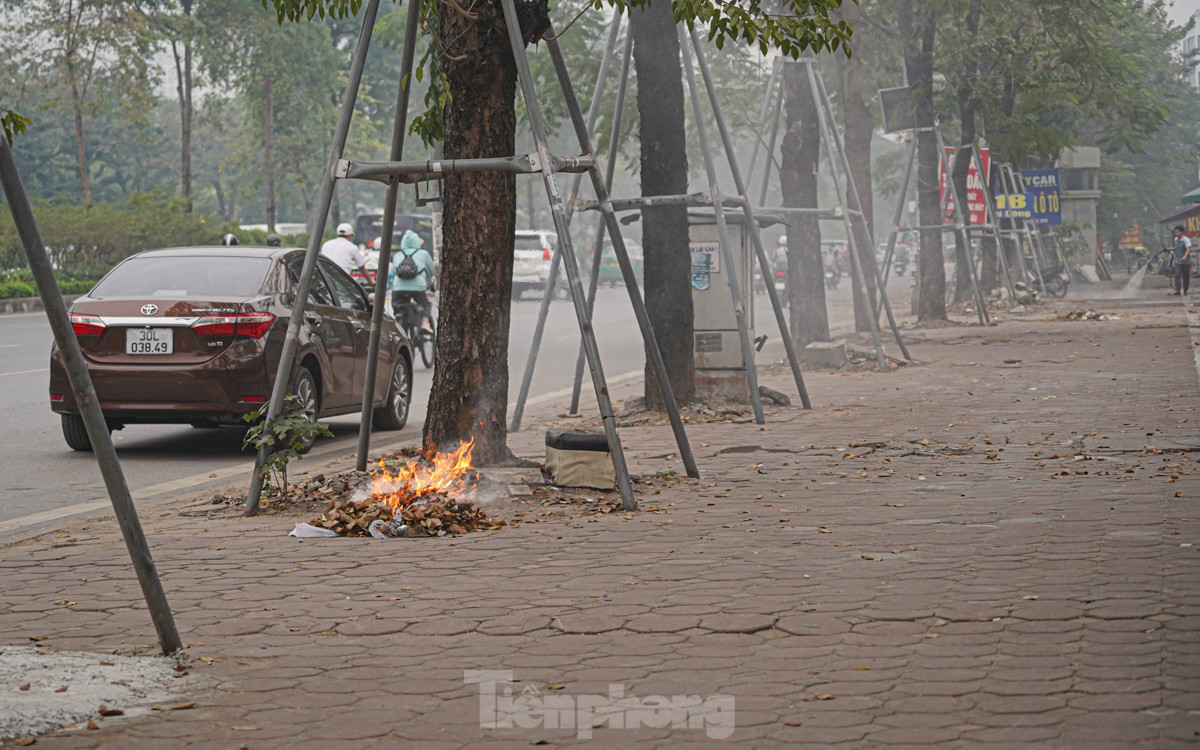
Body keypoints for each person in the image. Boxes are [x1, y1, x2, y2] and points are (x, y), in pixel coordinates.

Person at [390, 230, 436, 334]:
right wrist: (434, 284)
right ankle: (425, 323)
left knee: (397, 304)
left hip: (398, 288)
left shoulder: (397, 255)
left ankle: (399, 320)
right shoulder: (424, 254)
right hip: (418, 288)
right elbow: (433, 272)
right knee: (426, 304)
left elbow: (392, 273)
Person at [1172, 225, 1192, 296]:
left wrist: (1185, 256)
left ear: (1181, 232)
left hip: (1186, 262)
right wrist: (1171, 249)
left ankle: (1185, 290)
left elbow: (1188, 249)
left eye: (1177, 232)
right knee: (1177, 275)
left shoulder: (1186, 240)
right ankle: (1178, 290)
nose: (1176, 234)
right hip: (1177, 261)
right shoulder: (1175, 239)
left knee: (1186, 276)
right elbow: (1176, 248)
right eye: (1175, 232)